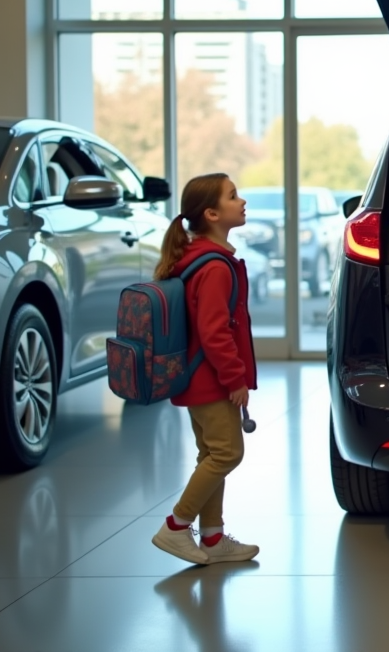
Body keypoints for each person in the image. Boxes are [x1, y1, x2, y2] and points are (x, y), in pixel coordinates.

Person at [150, 173, 260, 566]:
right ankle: (177, 527)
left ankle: (212, 537)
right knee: (227, 453)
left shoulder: (197, 258)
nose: (242, 201)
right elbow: (215, 333)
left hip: (198, 378)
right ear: (212, 213)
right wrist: (235, 380)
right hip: (212, 380)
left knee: (210, 453)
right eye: (233, 196)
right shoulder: (214, 268)